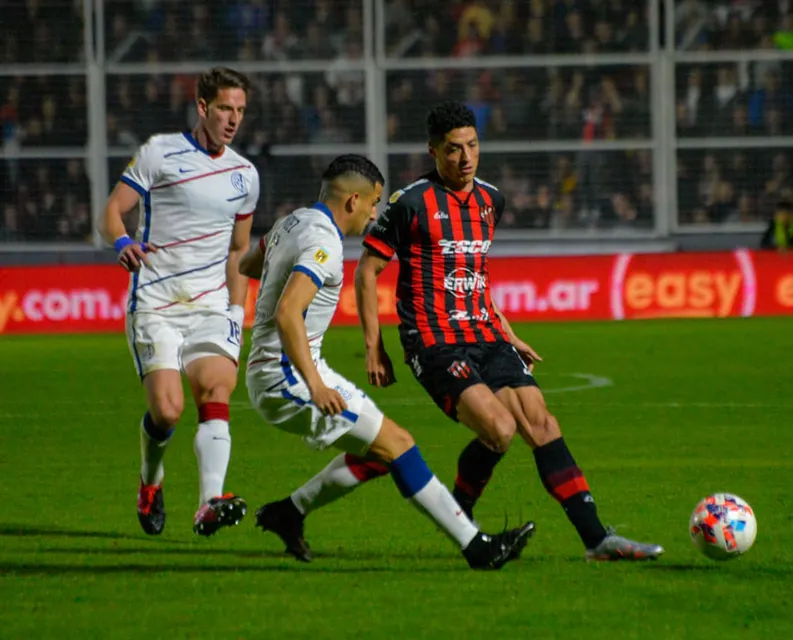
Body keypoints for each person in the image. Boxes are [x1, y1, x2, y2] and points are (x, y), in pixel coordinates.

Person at [354, 100, 663, 562]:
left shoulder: (489, 200)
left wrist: (506, 329)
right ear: (434, 151)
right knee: (499, 431)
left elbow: (476, 274)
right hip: (434, 339)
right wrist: (374, 348)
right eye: (454, 149)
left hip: (487, 333)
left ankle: (597, 539)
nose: (466, 158)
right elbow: (366, 271)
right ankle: (461, 513)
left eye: (473, 146)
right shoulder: (411, 203)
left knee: (541, 423)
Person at [239, 154, 535, 569]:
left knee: (378, 453)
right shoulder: (323, 240)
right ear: (352, 201)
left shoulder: (294, 221)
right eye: (373, 202)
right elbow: (288, 313)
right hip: (288, 377)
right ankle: (477, 548)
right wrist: (315, 385)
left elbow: (248, 264)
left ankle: (288, 512)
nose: (375, 213)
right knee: (400, 447)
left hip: (287, 370)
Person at [100, 67, 259, 537]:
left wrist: (236, 312)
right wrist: (121, 243)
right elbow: (112, 210)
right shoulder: (159, 153)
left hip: (212, 305)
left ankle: (210, 501)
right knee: (167, 410)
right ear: (203, 106)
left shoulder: (245, 175)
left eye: (241, 111)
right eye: (226, 109)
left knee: (216, 388)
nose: (234, 119)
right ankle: (151, 481)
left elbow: (237, 251)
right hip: (155, 302)